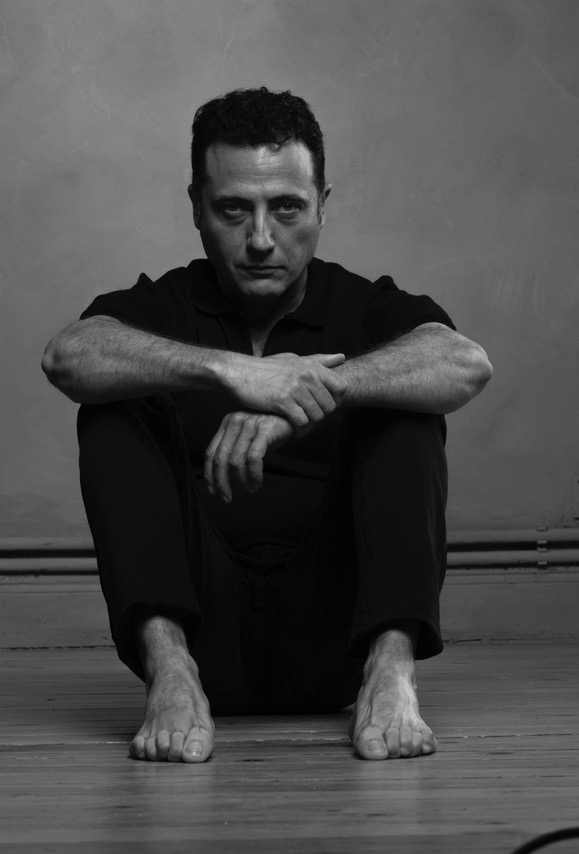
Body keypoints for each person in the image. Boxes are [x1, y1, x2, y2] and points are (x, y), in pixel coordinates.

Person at [42, 87, 491, 763]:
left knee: (407, 407)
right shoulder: (165, 303)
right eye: (233, 210)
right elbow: (69, 356)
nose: (259, 239)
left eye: (287, 208)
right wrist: (234, 372)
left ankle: (392, 676)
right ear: (197, 207)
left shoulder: (362, 305)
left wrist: (312, 394)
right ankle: (171, 677)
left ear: (322, 205)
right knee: (111, 406)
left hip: (333, 634)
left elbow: (465, 363)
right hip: (201, 630)